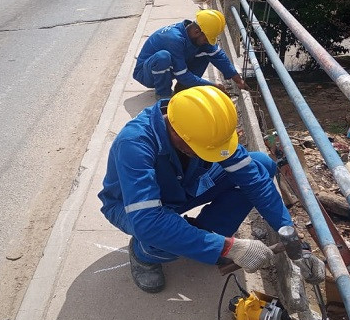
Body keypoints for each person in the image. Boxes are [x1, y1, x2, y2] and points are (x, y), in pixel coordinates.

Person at [98, 85, 325, 293]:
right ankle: (143, 255)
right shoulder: (135, 144)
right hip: (131, 206)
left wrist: (290, 236)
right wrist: (229, 248)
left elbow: (254, 180)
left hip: (181, 186)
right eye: (205, 150)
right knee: (158, 234)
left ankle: (202, 235)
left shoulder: (207, 128)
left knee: (261, 165)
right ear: (177, 134)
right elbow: (147, 221)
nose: (215, 153)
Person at [133, 9, 249, 100]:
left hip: (168, 67)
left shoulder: (196, 33)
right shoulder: (174, 39)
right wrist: (213, 87)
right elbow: (182, 74)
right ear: (197, 32)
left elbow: (218, 55)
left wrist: (238, 80)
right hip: (146, 74)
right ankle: (163, 96)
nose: (207, 42)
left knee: (205, 52)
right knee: (163, 57)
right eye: (206, 39)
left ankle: (184, 87)